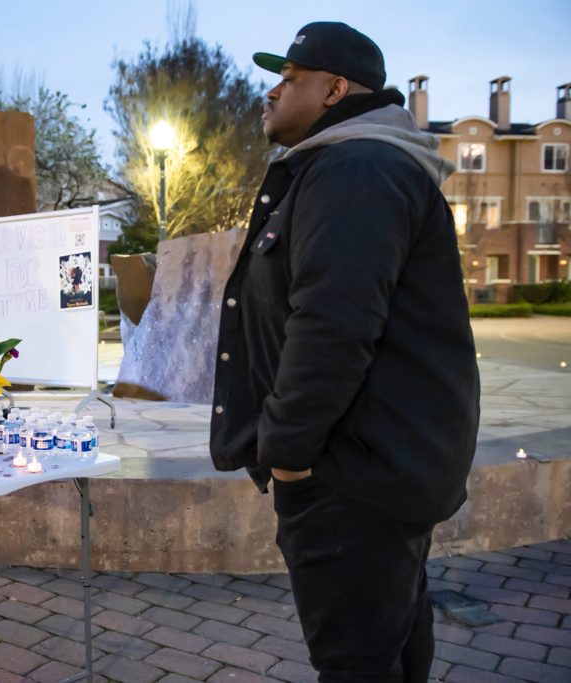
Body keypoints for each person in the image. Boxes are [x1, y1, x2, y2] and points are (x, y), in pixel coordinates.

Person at [209, 22, 480, 682]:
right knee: (389, 641)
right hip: (373, 463)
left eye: (288, 79)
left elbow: (331, 327)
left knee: (355, 662)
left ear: (334, 89)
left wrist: (291, 455)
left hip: (352, 475)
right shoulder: (351, 164)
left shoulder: (357, 168)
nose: (269, 95)